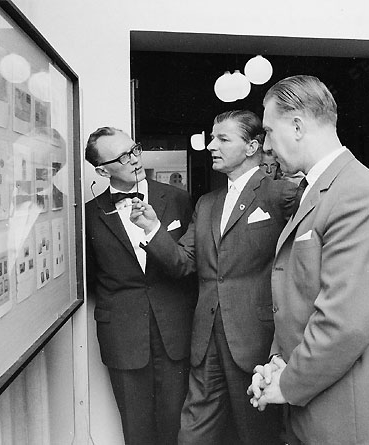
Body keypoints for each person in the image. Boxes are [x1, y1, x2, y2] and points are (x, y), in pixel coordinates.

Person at [248, 75, 369, 445]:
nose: (267, 146)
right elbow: (298, 299)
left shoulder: (357, 194)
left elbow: (344, 322)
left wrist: (287, 383)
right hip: (323, 407)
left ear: (297, 126)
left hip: (353, 418)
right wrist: (278, 364)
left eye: (269, 132)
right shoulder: (318, 189)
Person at [146, 110, 298, 444]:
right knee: (192, 434)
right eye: (212, 138)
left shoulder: (281, 195)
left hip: (256, 340)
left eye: (222, 139)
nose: (211, 145)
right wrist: (152, 229)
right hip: (206, 340)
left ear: (252, 147)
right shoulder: (207, 203)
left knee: (257, 434)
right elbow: (183, 262)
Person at [85, 127, 195, 444]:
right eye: (123, 157)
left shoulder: (178, 199)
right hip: (124, 336)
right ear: (102, 171)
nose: (135, 159)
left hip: (174, 331)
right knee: (136, 430)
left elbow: (190, 265)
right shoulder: (90, 215)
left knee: (178, 428)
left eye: (135, 150)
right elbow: (92, 278)